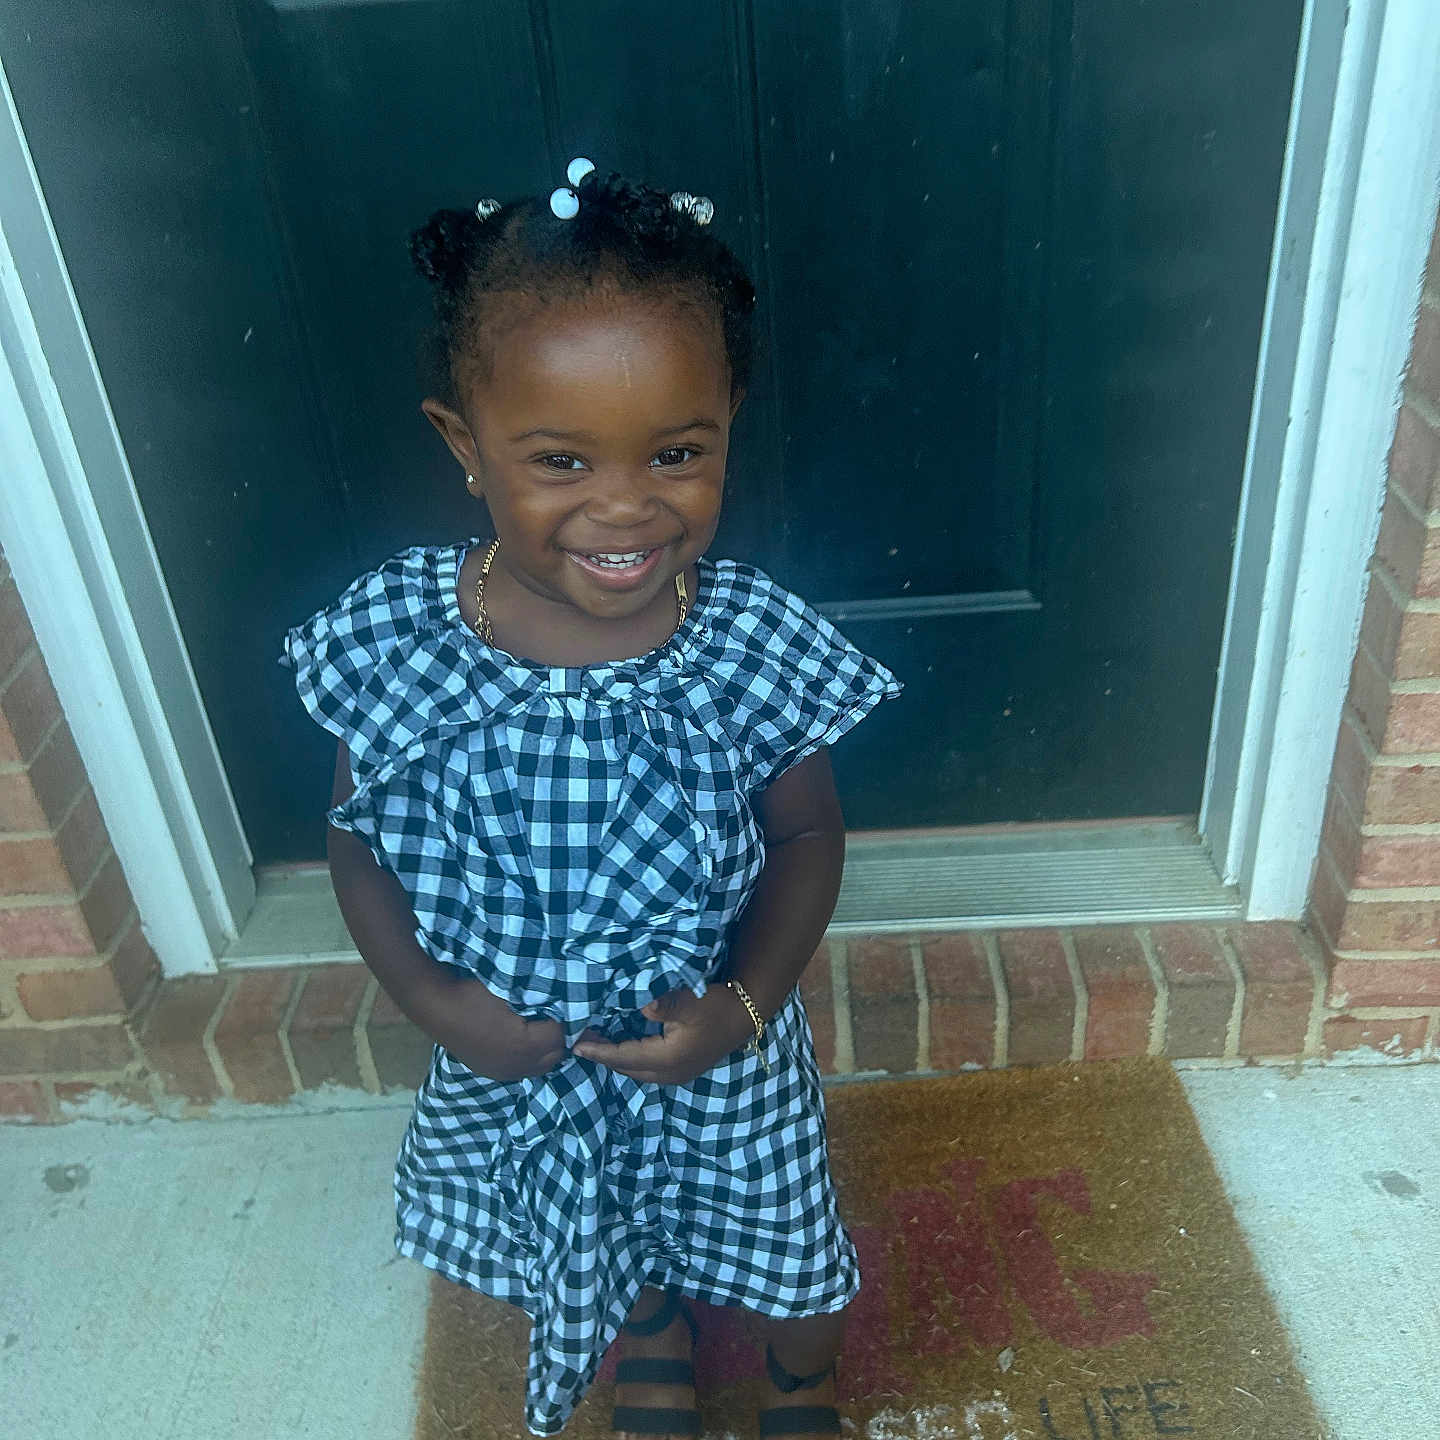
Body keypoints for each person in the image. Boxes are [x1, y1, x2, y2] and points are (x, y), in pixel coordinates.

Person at [279, 157, 901, 1439]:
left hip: (714, 1050)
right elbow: (355, 845)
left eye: (678, 452)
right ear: (463, 444)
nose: (626, 507)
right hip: (512, 1052)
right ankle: (653, 1334)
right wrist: (432, 1001)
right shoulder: (401, 636)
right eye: (560, 460)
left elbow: (807, 833)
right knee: (601, 1232)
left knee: (791, 1243)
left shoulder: (745, 643)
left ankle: (803, 1387)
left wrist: (741, 1008)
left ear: (729, 417)